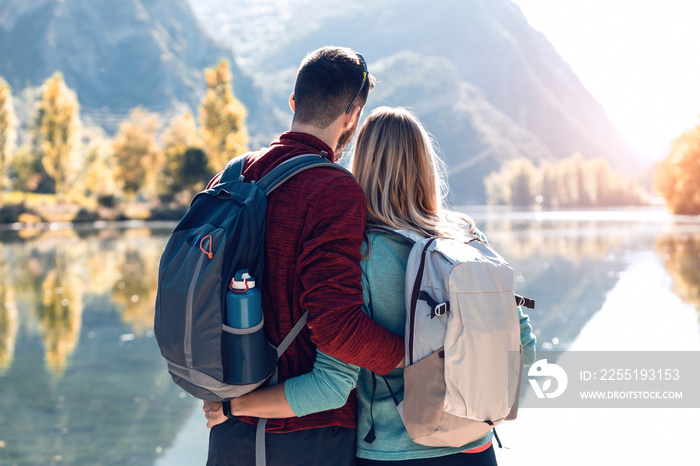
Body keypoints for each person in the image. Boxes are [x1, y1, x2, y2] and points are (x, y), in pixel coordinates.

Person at [206, 106, 537, 465]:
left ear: (360, 165)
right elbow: (524, 347)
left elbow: (330, 387)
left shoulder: (358, 253)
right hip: (477, 448)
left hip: (394, 454)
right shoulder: (466, 237)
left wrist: (235, 406)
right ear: (425, 166)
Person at [204, 48, 405, 466]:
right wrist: (413, 356)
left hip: (228, 425)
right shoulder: (333, 190)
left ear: (293, 103)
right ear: (352, 115)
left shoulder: (232, 174)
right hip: (307, 434)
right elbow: (336, 328)